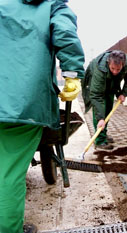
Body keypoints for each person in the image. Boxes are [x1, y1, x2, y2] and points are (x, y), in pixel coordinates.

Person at [0, 0, 85, 232]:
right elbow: (65, 33)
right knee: (8, 175)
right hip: (21, 105)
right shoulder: (52, 6)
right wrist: (72, 75)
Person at [82, 50, 127, 150]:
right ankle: (100, 140)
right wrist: (100, 118)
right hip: (96, 81)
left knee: (108, 107)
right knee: (100, 110)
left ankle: (103, 134)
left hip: (111, 84)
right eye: (112, 68)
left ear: (123, 64)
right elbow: (96, 96)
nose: (115, 72)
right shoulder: (100, 68)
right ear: (108, 62)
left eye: (118, 69)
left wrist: (124, 93)